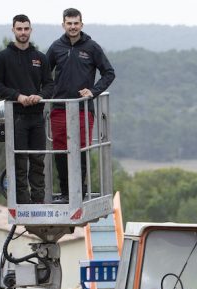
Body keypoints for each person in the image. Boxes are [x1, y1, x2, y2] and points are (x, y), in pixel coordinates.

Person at [46, 7, 115, 201]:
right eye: (69, 23)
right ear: (63, 25)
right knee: (60, 149)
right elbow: (43, 74)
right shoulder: (56, 47)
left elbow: (109, 73)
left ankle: (80, 191)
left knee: (80, 149)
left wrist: (93, 91)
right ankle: (66, 192)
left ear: (81, 24)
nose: (73, 27)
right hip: (59, 107)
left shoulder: (92, 47)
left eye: (76, 23)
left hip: (84, 108)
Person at [0, 14, 53, 204]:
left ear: (31, 30)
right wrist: (18, 96)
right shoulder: (3, 57)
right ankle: (24, 204)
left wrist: (40, 96)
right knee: (19, 163)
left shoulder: (40, 58)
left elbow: (50, 85)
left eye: (26, 29)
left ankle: (39, 202)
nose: (23, 32)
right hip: (15, 118)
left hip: (37, 118)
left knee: (38, 161)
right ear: (13, 30)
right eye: (19, 29)